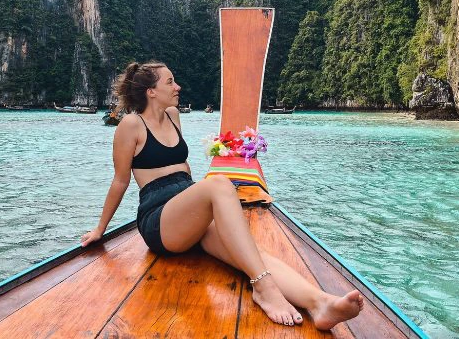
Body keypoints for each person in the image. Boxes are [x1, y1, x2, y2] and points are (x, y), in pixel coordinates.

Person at [81, 61, 364, 329]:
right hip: (159, 219)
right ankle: (263, 289)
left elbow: (184, 167)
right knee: (218, 184)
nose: (178, 87)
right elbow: (119, 181)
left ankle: (320, 303)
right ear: (151, 92)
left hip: (188, 210)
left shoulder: (173, 115)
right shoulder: (131, 125)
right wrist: (100, 229)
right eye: (170, 82)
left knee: (251, 252)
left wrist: (200, 205)